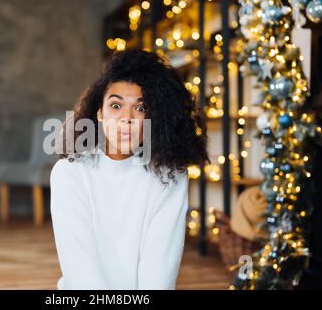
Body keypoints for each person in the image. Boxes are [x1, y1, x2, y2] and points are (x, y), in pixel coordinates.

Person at [50, 49, 209, 289]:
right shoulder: (69, 173)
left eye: (141, 108)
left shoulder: (170, 176)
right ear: (100, 114)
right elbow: (80, 268)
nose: (127, 118)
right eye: (116, 105)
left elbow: (159, 271)